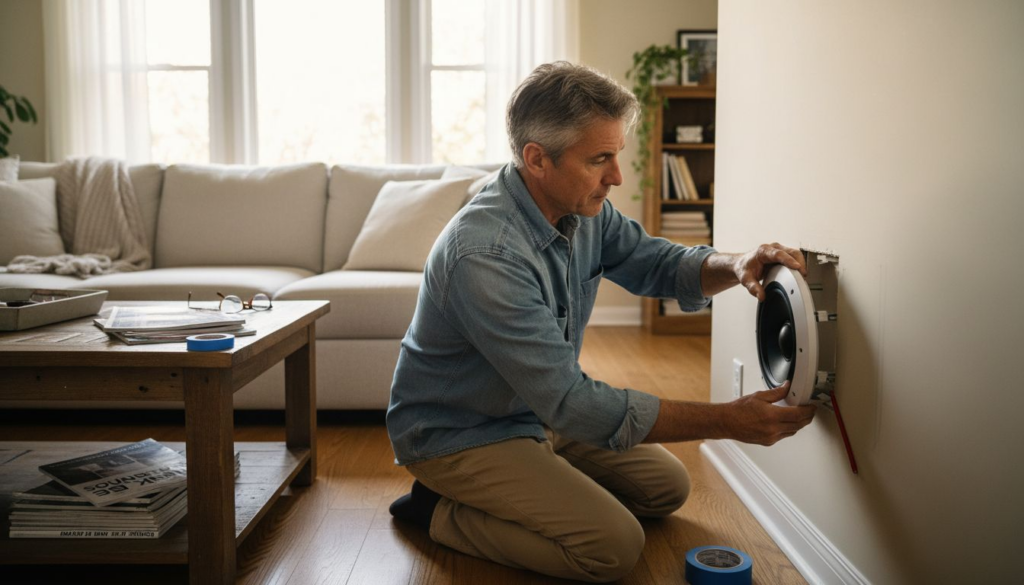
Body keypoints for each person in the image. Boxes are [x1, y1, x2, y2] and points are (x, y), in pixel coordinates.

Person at [386, 61, 816, 583]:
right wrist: (727, 421)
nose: (617, 176)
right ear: (537, 158)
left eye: (617, 155)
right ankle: (437, 509)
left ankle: (535, 481)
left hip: (535, 412)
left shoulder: (582, 209)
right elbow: (572, 401)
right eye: (601, 159)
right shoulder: (484, 254)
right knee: (614, 547)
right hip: (462, 431)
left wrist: (736, 262)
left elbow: (657, 262)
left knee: (665, 489)